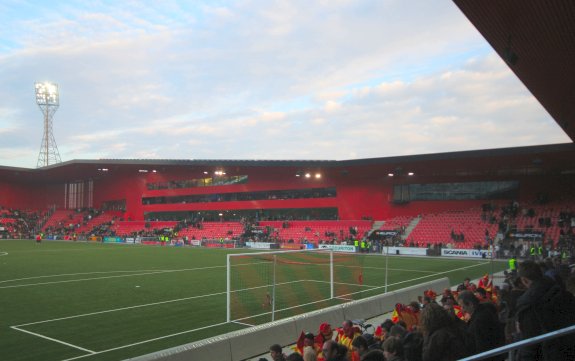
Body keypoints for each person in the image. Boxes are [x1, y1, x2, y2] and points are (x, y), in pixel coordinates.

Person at [515, 260, 575, 360]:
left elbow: (529, 343)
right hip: (567, 350)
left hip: (549, 354)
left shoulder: (527, 302)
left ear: (524, 280)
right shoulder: (560, 289)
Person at [457, 291, 505, 361]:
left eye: (462, 306)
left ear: (470, 304)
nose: (461, 309)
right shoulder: (486, 310)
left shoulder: (478, 320)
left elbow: (482, 346)